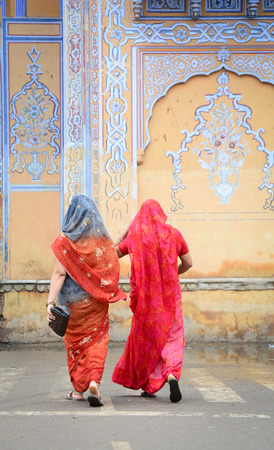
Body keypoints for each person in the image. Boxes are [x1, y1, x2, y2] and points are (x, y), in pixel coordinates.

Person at [47, 194, 126, 406]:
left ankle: (78, 390)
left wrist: (50, 303)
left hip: (71, 306)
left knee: (75, 345)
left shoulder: (64, 243)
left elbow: (59, 274)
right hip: (96, 302)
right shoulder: (101, 241)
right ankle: (94, 381)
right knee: (98, 339)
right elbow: (113, 257)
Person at [112, 199, 192, 402]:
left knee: (149, 341)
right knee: (171, 338)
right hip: (169, 297)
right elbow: (189, 263)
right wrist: (171, 273)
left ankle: (151, 386)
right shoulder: (174, 234)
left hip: (146, 301)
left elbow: (111, 255)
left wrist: (125, 231)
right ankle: (172, 373)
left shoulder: (135, 238)